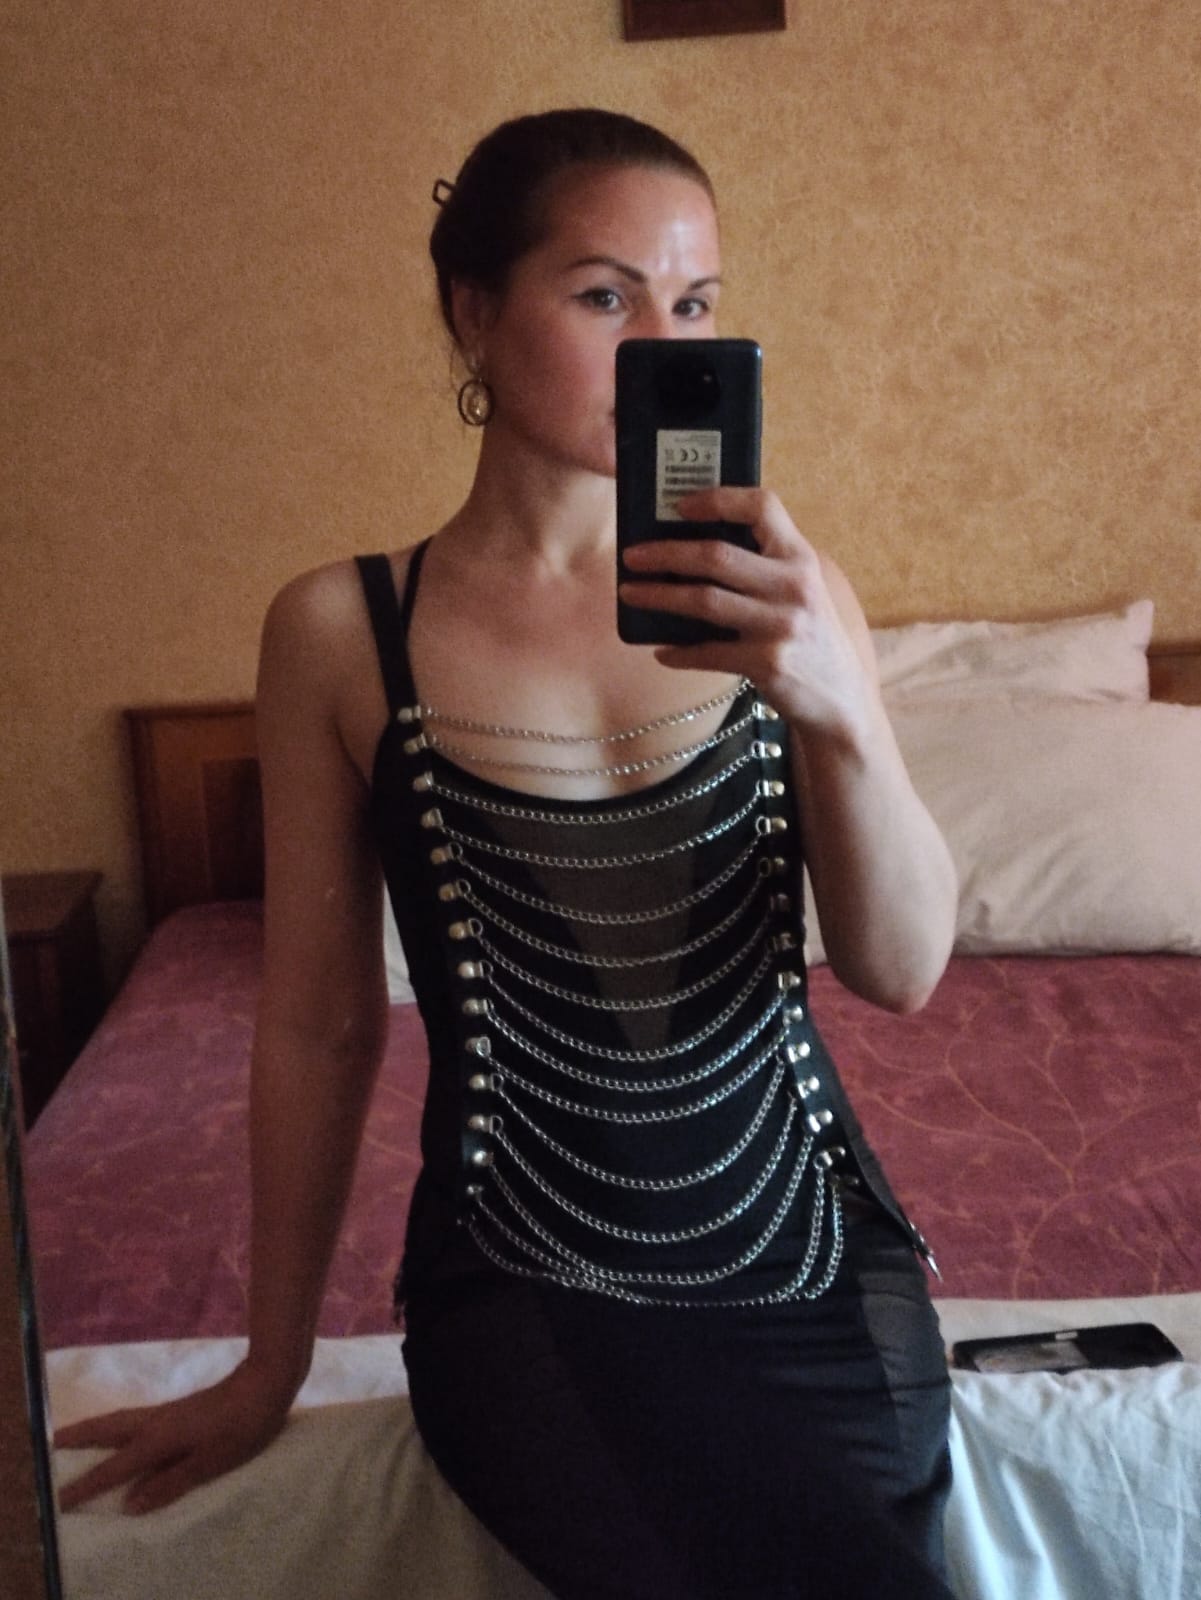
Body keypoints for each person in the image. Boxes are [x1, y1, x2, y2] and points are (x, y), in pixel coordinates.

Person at [58, 109, 960, 1598]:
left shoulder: (791, 599)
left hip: (810, 1255)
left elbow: (903, 969)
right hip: (525, 1271)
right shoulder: (343, 631)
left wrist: (841, 714)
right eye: (605, 295)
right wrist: (271, 1362)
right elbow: (318, 1023)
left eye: (695, 305)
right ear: (471, 312)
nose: (660, 344)